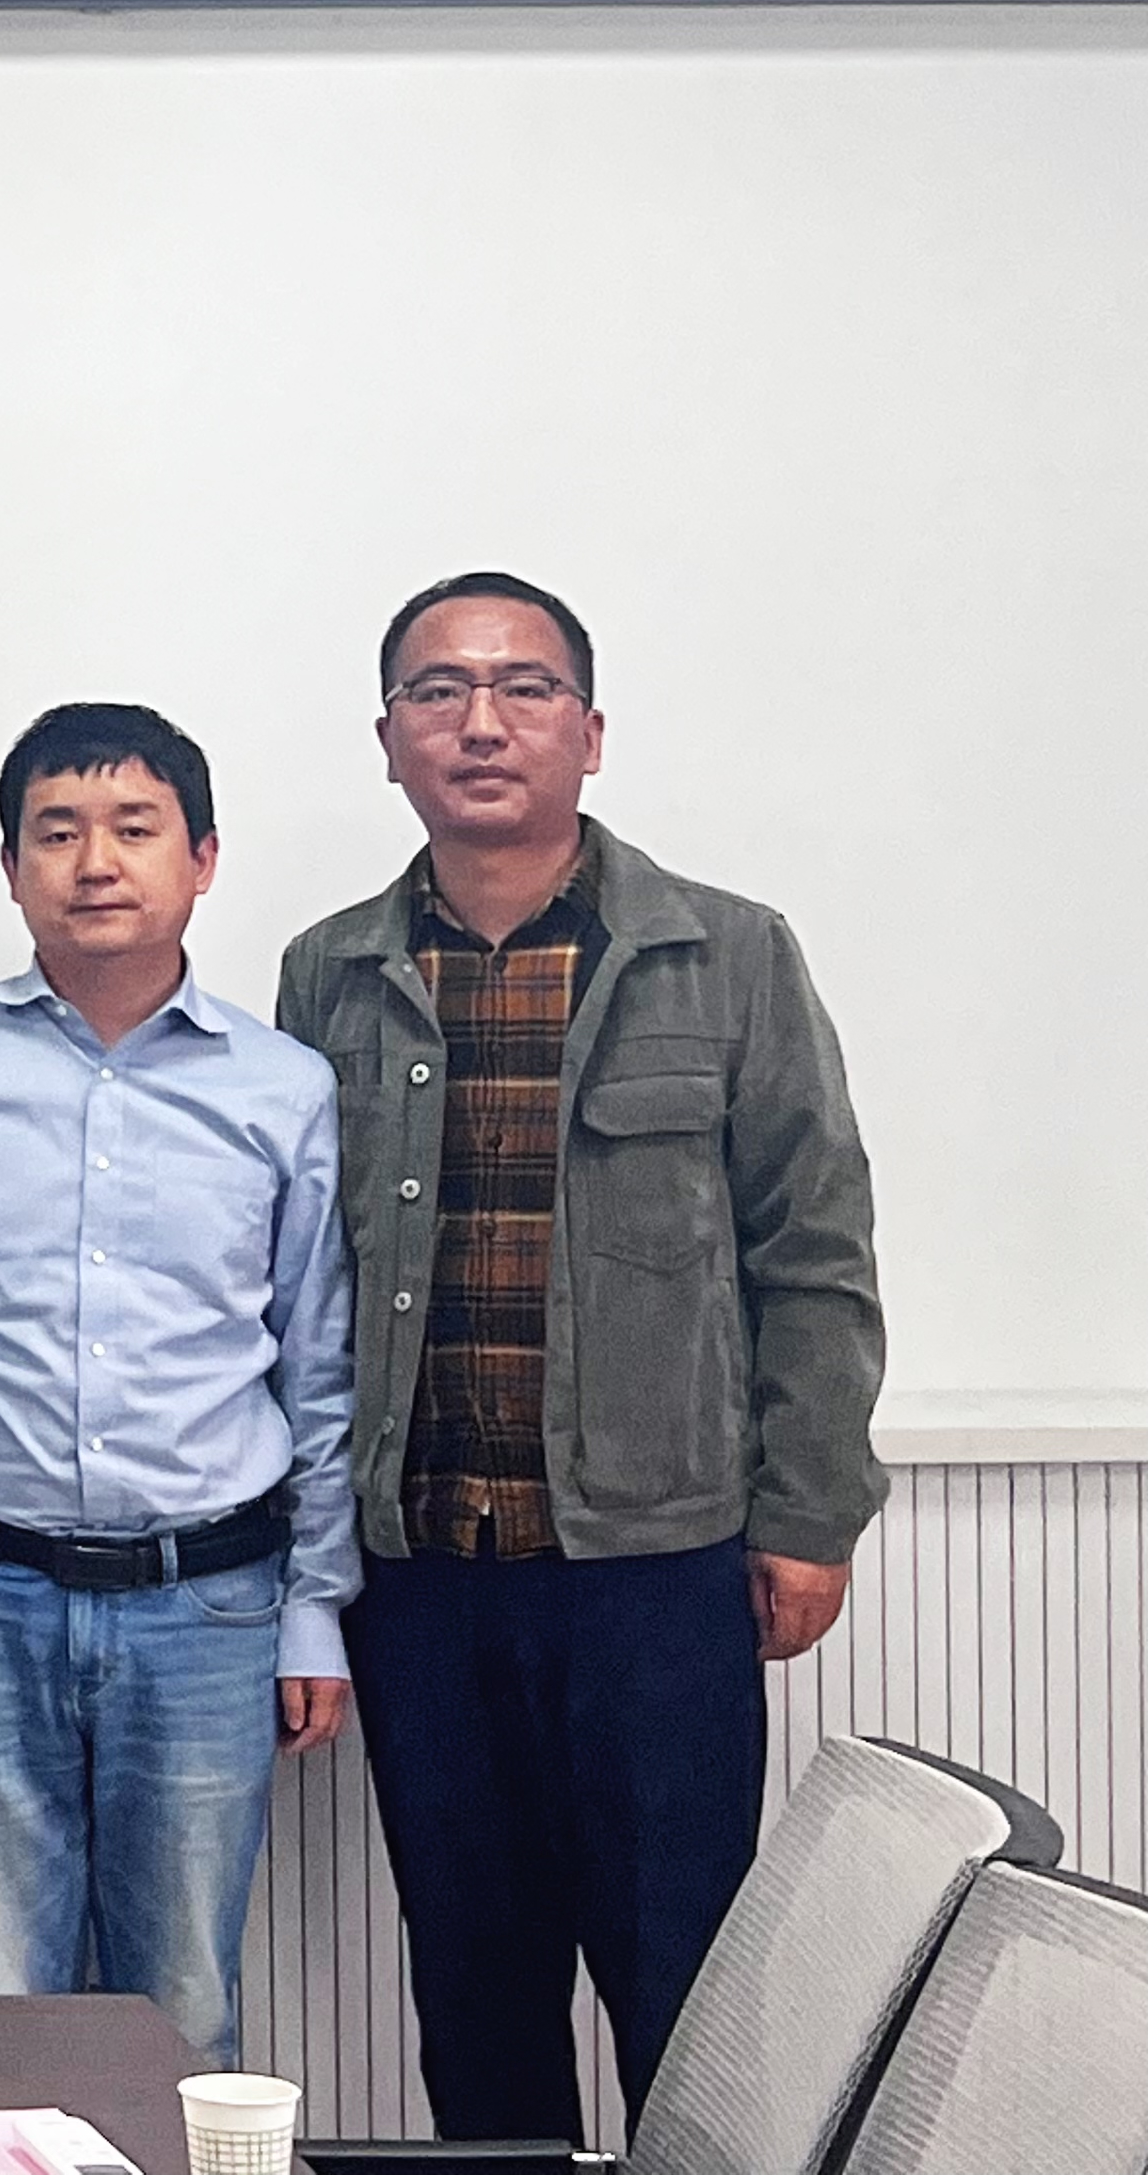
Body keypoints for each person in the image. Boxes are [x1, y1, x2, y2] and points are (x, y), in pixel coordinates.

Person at [279, 572, 883, 2138]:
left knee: (682, 1991)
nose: (480, 722)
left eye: (524, 687)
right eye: (438, 691)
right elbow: (304, 1275)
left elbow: (813, 1249)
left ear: (591, 733)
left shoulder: (725, 956)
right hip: (422, 1577)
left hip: (652, 1578)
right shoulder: (328, 973)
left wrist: (809, 1513)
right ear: (389, 740)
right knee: (473, 1992)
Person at [0, 701, 356, 2069]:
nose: (96, 862)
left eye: (135, 829)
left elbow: (320, 1364)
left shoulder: (283, 1089)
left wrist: (315, 1611)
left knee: (184, 2004)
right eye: (58, 832)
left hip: (211, 1604)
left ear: (202, 859)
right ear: (11, 866)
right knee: (2, 1997)